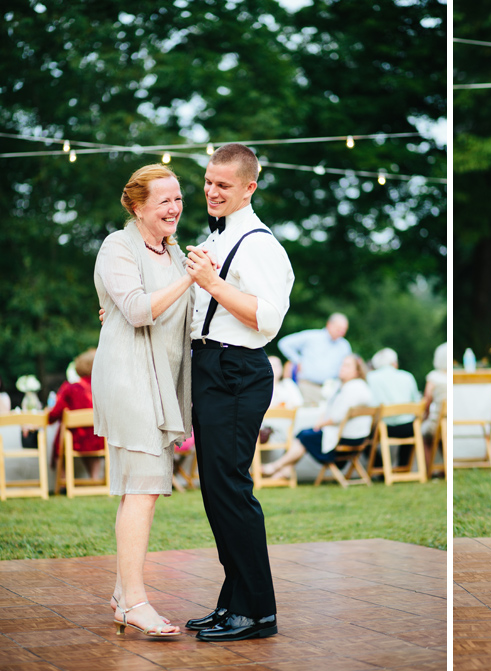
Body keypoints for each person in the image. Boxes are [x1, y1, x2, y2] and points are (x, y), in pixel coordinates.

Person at [184, 143, 294, 642]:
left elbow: (267, 319)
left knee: (231, 491)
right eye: (208, 182)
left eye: (223, 185)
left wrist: (209, 281)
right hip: (210, 365)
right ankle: (233, 602)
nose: (211, 191)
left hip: (237, 368)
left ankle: (258, 611)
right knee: (216, 492)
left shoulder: (260, 244)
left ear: (250, 187)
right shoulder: (219, 236)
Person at [93, 163, 194, 638]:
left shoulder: (172, 252)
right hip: (129, 377)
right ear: (137, 206)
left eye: (177, 198)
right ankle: (135, 601)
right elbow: (134, 310)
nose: (174, 208)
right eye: (164, 201)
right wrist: (194, 279)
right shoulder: (118, 245)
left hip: (161, 379)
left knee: (142, 486)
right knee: (145, 488)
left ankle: (121, 596)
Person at [261, 354, 373, 478]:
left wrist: (320, 424)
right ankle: (282, 471)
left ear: (357, 371)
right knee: (304, 435)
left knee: (304, 436)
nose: (342, 368)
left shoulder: (353, 388)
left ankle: (276, 467)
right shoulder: (354, 386)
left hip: (346, 438)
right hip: (356, 436)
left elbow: (336, 417)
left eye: (346, 366)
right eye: (342, 365)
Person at [48, 348, 105, 481]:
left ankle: (62, 481)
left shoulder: (70, 388)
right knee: (92, 436)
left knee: (60, 438)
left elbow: (55, 413)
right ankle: (94, 478)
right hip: (100, 439)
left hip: (76, 440)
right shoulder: (103, 386)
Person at [276, 314, 351, 403]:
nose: (341, 332)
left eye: (344, 329)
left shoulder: (344, 345)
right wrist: (297, 361)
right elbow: (284, 343)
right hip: (308, 386)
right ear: (329, 324)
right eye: (339, 328)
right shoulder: (312, 337)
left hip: (331, 389)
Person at [366, 348, 420, 466]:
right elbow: (417, 402)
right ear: (394, 363)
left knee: (363, 436)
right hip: (408, 428)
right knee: (413, 428)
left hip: (383, 427)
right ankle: (403, 466)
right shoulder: (407, 376)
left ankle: (381, 468)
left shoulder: (370, 377)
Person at [421, 342, 448, 466]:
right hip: (450, 422)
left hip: (438, 423)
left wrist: (424, 417)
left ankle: (429, 469)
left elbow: (427, 401)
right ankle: (445, 466)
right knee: (443, 436)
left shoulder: (434, 377)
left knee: (425, 435)